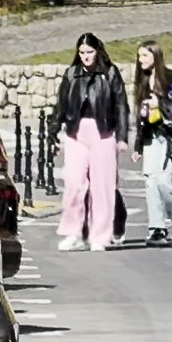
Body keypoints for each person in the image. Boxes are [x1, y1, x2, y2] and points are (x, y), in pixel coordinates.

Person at [52, 32, 129, 252]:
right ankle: (72, 232)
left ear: (98, 51)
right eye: (82, 52)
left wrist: (122, 137)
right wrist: (53, 132)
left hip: (103, 131)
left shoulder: (110, 73)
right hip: (76, 132)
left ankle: (100, 236)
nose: (86, 56)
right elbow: (61, 105)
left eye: (90, 52)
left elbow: (121, 105)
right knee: (74, 184)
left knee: (102, 187)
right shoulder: (71, 74)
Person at [132, 41, 172, 247]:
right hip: (150, 137)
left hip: (169, 136)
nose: (141, 61)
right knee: (151, 182)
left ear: (156, 56)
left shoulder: (170, 78)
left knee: (165, 181)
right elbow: (141, 115)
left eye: (145, 56)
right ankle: (157, 228)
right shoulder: (142, 80)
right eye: (139, 57)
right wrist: (138, 145)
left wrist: (161, 103)